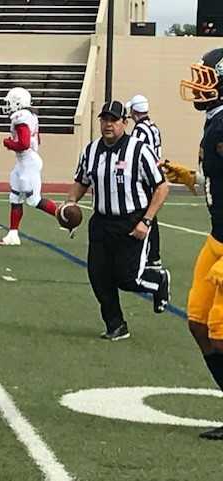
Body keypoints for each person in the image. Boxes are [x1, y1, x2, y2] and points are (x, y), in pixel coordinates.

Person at [63, 100, 170, 341]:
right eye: (104, 120)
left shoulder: (139, 150)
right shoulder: (90, 151)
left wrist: (147, 221)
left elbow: (161, 188)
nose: (108, 124)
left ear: (125, 122)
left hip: (131, 220)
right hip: (101, 221)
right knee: (98, 275)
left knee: (126, 277)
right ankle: (116, 324)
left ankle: (157, 280)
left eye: (114, 120)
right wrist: (70, 203)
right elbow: (82, 181)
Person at [166, 47, 223, 440]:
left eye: (208, 76)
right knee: (198, 323)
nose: (199, 83)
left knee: (220, 332)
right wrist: (190, 178)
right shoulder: (215, 123)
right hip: (216, 237)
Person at [0, 87, 58, 246]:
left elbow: (23, 144)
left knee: (33, 200)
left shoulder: (21, 117)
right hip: (24, 161)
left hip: (28, 162)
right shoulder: (30, 116)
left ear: (18, 102)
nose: (9, 105)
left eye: (11, 102)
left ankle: (64, 216)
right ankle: (13, 234)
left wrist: (8, 143)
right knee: (15, 197)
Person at [127, 94, 164, 268]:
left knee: (146, 215)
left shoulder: (140, 130)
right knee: (150, 215)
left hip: (146, 176)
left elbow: (136, 153)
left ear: (134, 111)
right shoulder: (153, 127)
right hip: (154, 173)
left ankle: (151, 254)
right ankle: (153, 255)